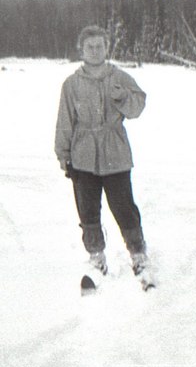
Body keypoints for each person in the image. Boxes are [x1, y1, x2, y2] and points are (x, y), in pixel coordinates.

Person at [55, 25, 151, 278]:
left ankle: (138, 254)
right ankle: (96, 257)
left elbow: (137, 108)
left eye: (100, 46)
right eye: (90, 46)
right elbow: (64, 121)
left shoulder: (119, 77)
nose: (95, 51)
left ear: (107, 48)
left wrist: (122, 97)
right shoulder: (71, 84)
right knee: (87, 208)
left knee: (123, 206)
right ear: (82, 49)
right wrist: (63, 153)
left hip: (115, 154)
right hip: (83, 155)